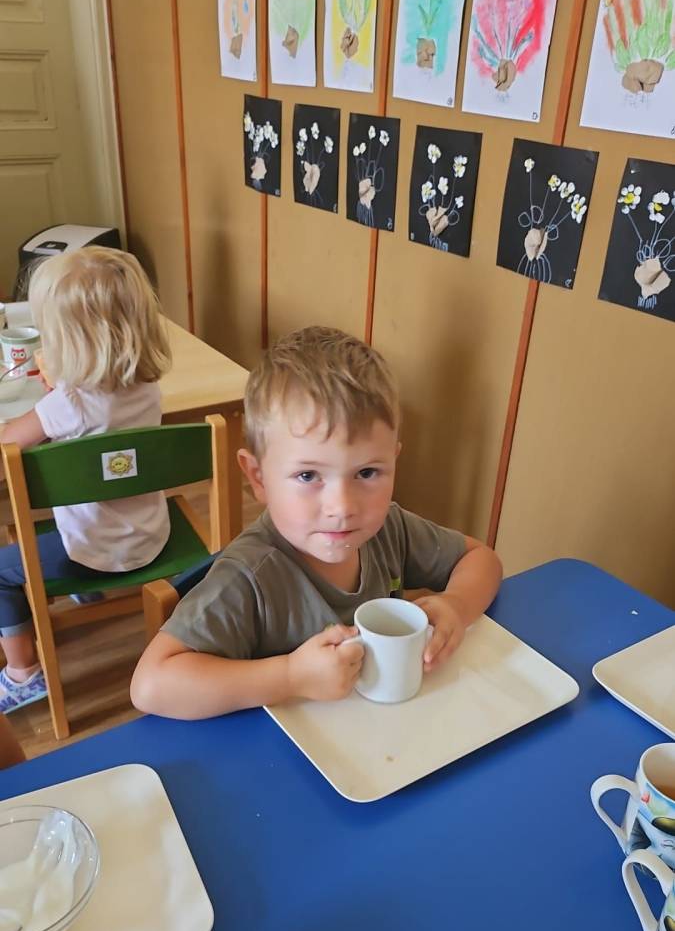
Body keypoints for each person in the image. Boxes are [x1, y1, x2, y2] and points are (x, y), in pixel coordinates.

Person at [132, 327, 502, 720]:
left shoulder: (389, 529)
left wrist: (456, 606)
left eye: (367, 472)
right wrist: (291, 676)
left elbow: (481, 558)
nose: (342, 507)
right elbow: (151, 685)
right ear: (258, 477)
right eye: (308, 475)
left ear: (394, 461)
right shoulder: (248, 577)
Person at [0, 246, 172, 714]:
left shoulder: (68, 405)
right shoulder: (147, 386)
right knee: (102, 484)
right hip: (152, 535)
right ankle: (88, 585)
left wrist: (55, 398)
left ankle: (22, 674)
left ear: (66, 340)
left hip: (92, 550)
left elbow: (10, 441)